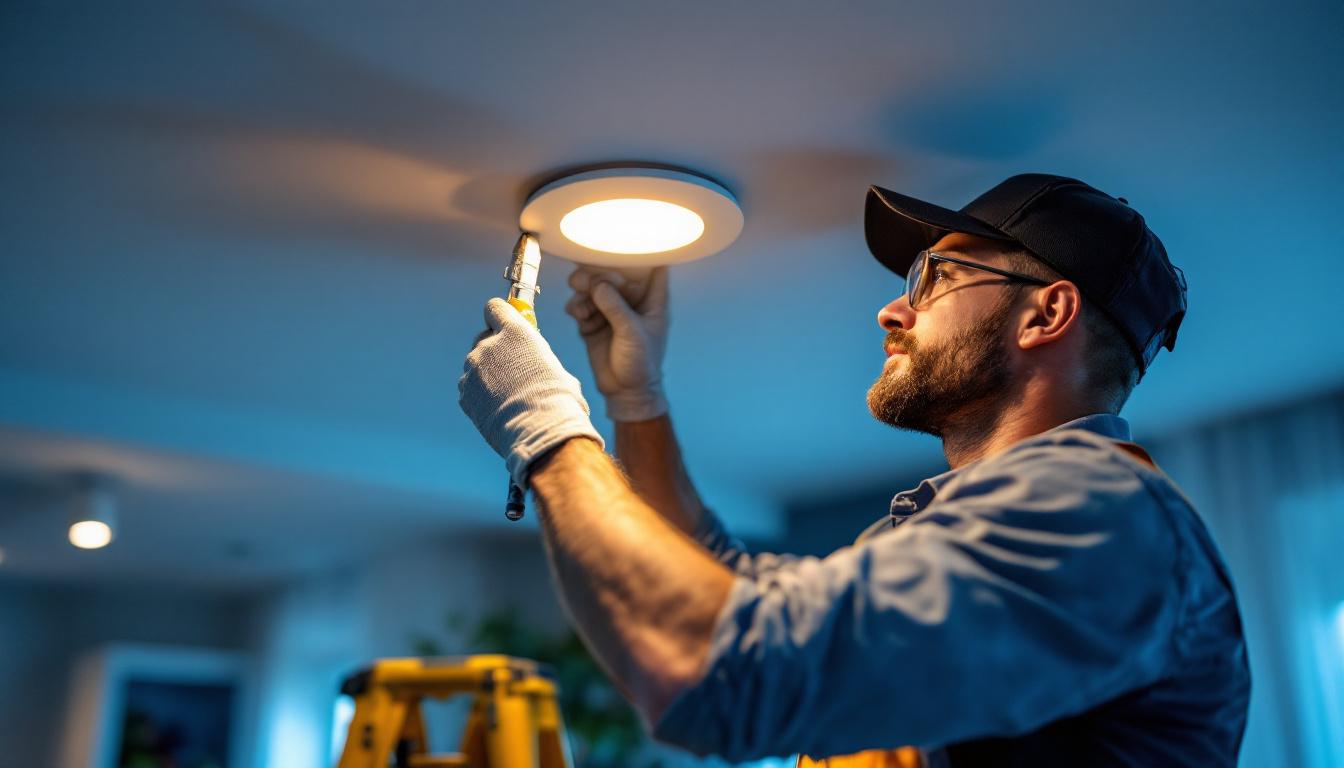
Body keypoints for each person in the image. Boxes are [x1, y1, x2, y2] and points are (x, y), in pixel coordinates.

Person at [459, 174, 1250, 766]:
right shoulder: (959, 530)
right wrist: (638, 400)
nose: (893, 310)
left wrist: (547, 429)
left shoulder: (1098, 513)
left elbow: (716, 663)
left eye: (936, 278)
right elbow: (716, 595)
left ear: (1047, 314)